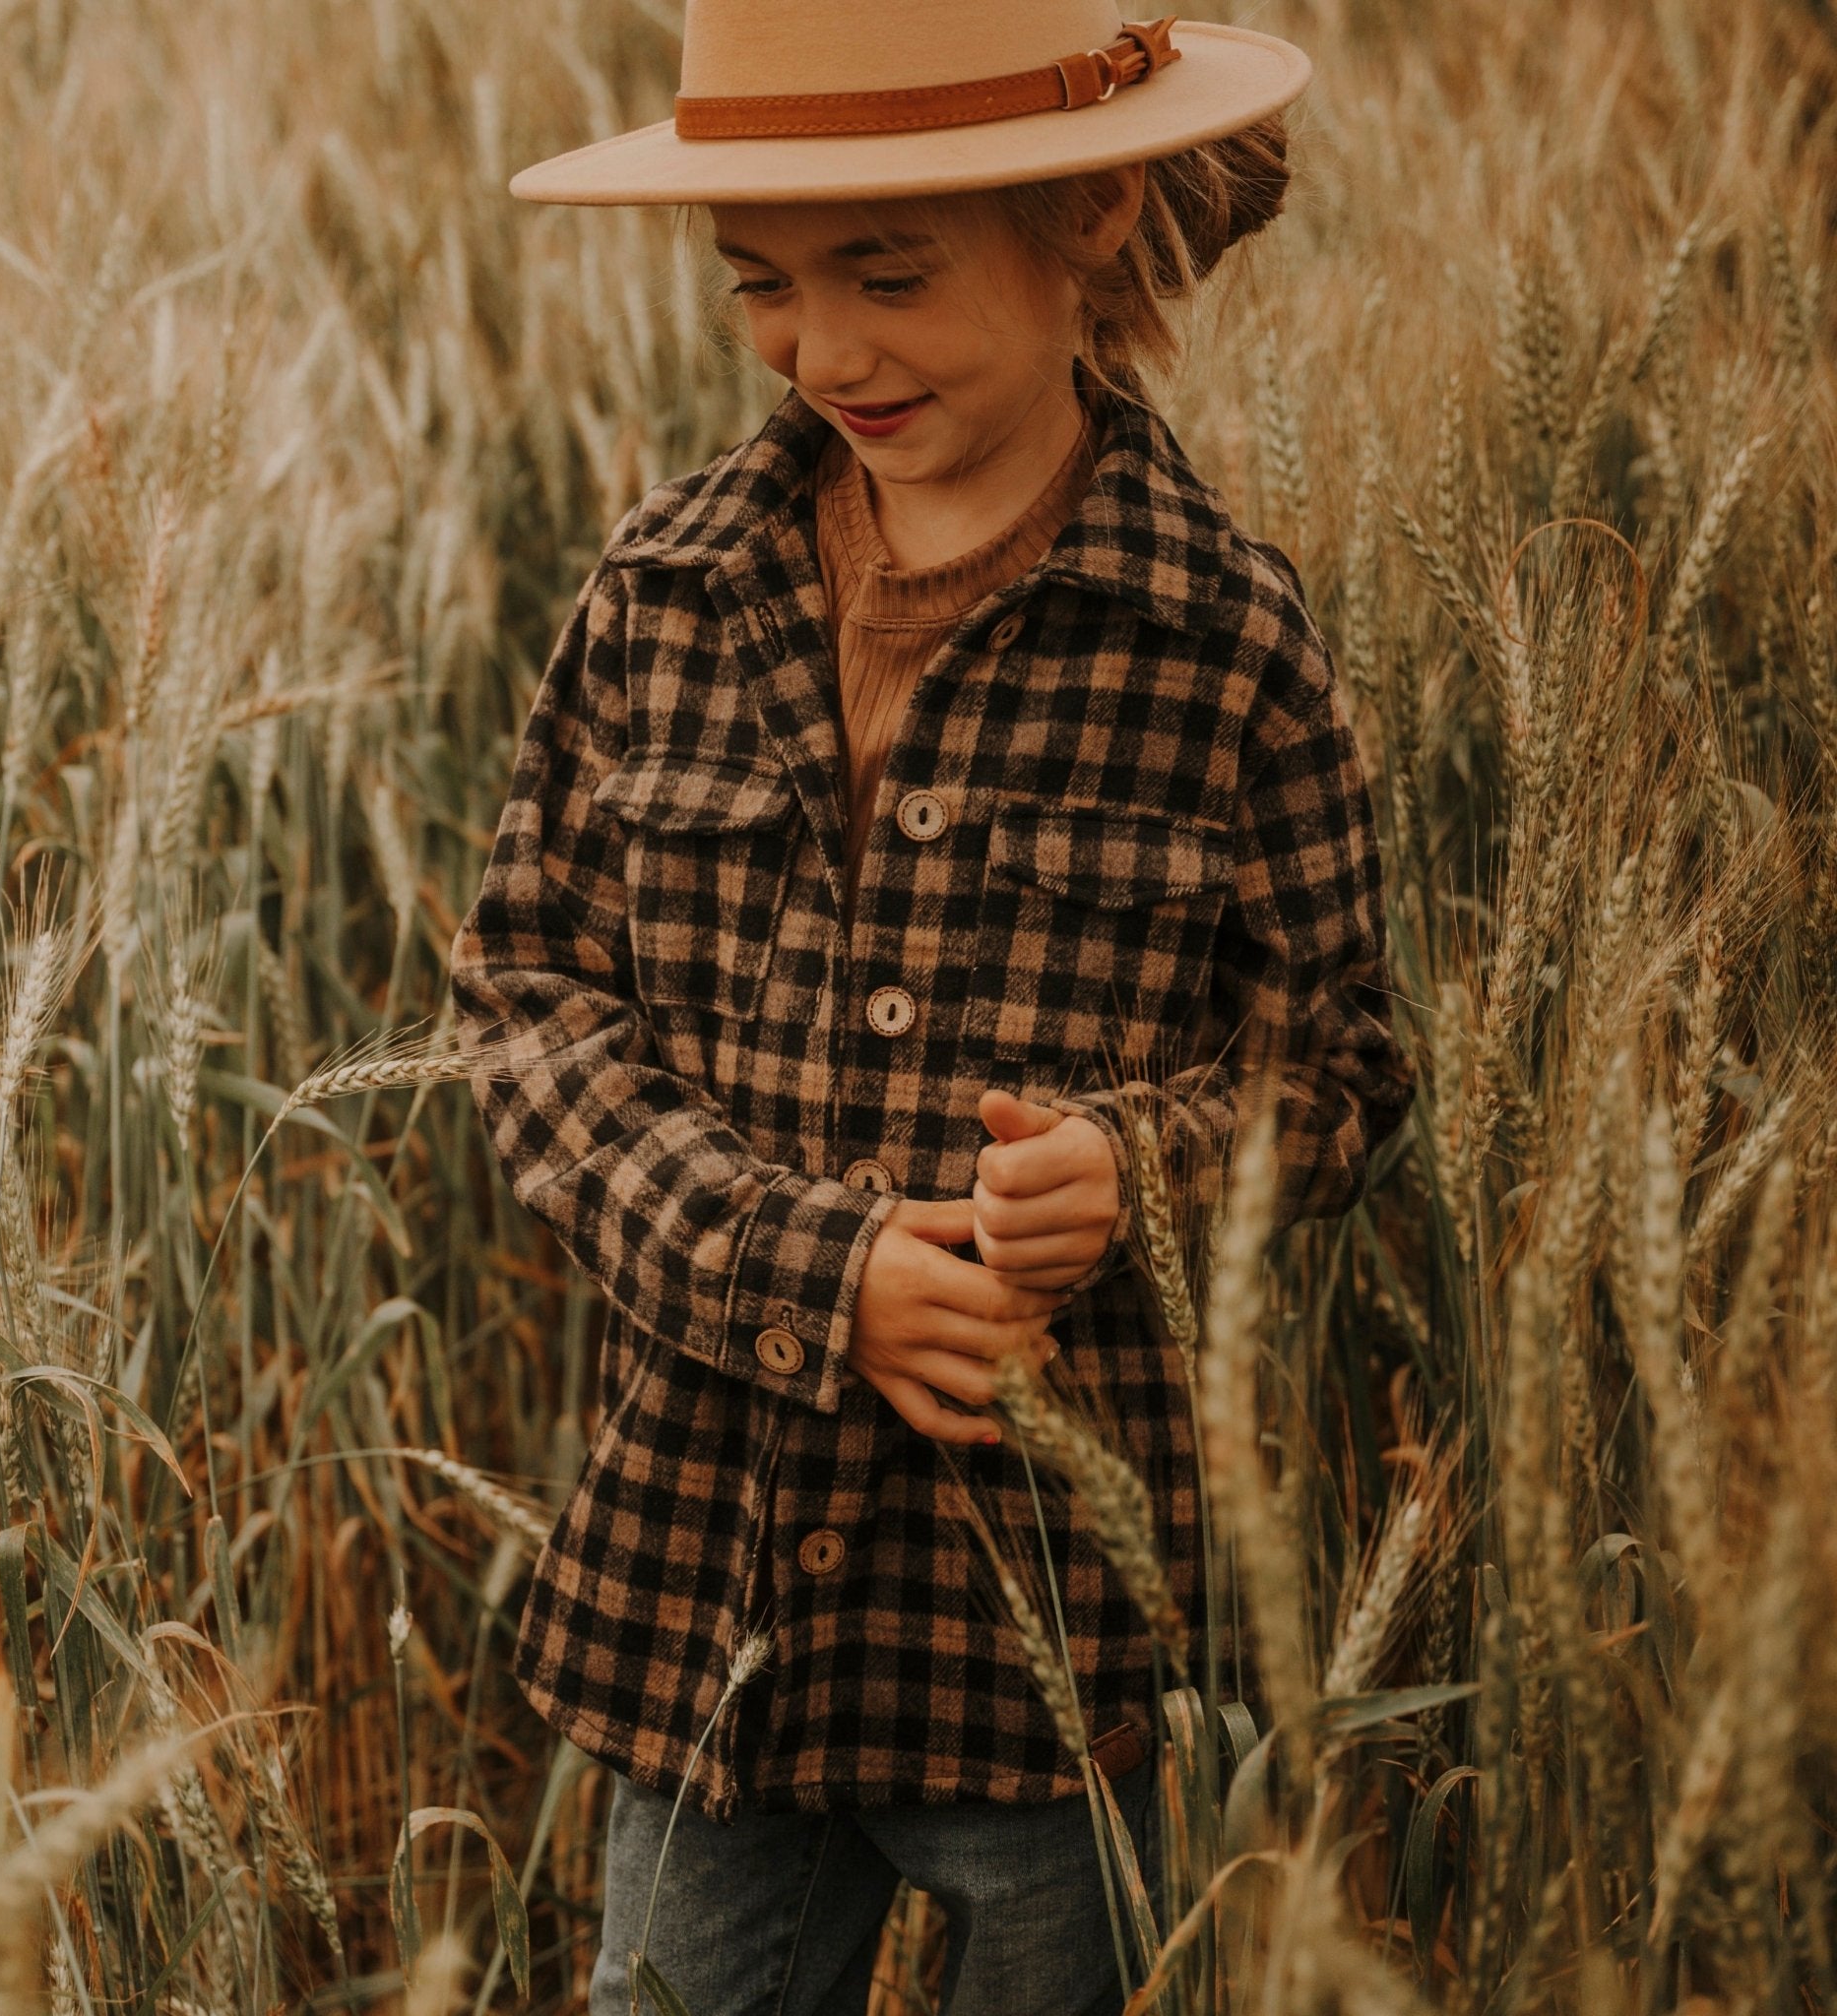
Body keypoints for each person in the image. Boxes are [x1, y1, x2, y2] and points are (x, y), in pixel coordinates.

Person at [449, 6, 1412, 2009]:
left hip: (1054, 1632)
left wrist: (1134, 1168)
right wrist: (810, 1271)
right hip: (713, 1595)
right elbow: (527, 1009)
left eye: (887, 274)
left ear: (1085, 212)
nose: (825, 352)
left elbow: (1337, 1070)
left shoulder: (1221, 648)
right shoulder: (662, 595)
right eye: (764, 288)